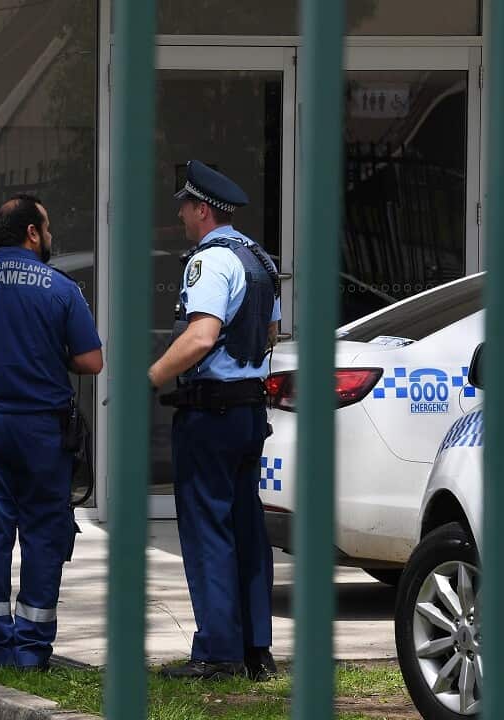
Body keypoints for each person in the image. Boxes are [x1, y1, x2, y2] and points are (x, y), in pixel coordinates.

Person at [147, 161, 280, 681]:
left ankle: (217, 654)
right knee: (247, 530)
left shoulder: (209, 261)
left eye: (184, 207)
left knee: (208, 531)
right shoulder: (259, 258)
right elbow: (269, 334)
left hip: (211, 412)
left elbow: (201, 336)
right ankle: (255, 650)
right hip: (249, 411)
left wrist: (150, 379)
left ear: (202, 209)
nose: (180, 215)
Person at [0, 194, 104, 672]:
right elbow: (91, 361)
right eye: (47, 226)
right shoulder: (60, 288)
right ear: (31, 233)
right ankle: (31, 650)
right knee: (44, 533)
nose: (50, 235)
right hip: (42, 429)